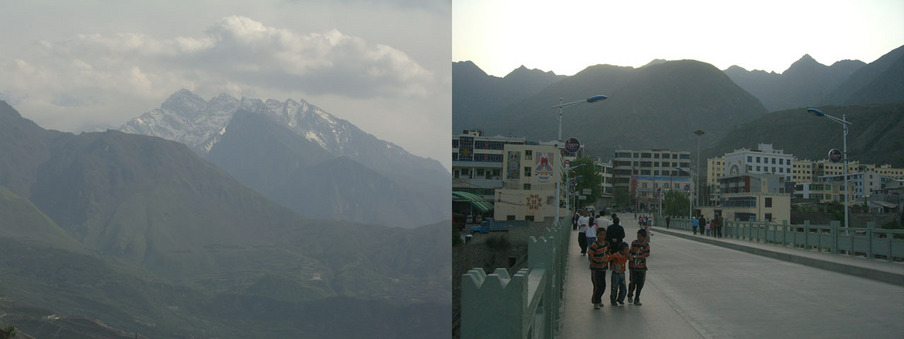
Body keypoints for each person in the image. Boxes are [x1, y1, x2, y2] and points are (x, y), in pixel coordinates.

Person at [587, 228, 609, 309]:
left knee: (603, 285)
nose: (602, 236)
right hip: (595, 269)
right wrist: (596, 260)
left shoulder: (606, 244)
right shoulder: (595, 245)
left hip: (603, 268)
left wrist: (607, 258)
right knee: (597, 285)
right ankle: (596, 301)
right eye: (600, 235)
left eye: (603, 235)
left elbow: (608, 253)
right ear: (597, 235)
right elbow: (590, 254)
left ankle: (598, 299)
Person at [627, 229, 650, 306]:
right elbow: (630, 251)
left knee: (640, 284)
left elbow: (646, 254)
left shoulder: (646, 245)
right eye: (637, 236)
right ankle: (630, 294)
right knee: (632, 282)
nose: (638, 238)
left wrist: (636, 256)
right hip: (633, 267)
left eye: (640, 236)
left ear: (644, 237)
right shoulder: (634, 243)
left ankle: (637, 298)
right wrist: (629, 256)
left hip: (642, 267)